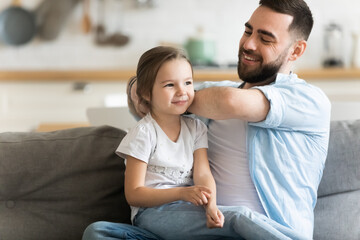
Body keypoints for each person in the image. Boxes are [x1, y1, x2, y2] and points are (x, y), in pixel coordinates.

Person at [83, 0, 331, 239]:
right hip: (199, 226)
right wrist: (151, 88)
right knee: (101, 233)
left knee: (239, 219)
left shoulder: (308, 100)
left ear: (296, 50)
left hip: (264, 231)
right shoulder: (210, 94)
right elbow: (138, 95)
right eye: (247, 31)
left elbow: (230, 103)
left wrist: (166, 93)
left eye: (265, 39)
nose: (249, 44)